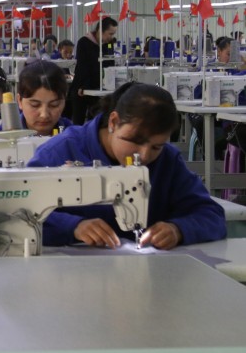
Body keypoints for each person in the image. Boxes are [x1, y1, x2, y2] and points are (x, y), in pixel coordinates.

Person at [28, 82, 226, 250]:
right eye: (135, 141)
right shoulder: (59, 152)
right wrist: (73, 226)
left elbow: (211, 215)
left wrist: (178, 229)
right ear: (113, 121)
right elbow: (19, 212)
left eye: (156, 146)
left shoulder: (167, 160)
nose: (144, 155)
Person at [0, 61, 72, 135]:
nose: (44, 115)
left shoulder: (75, 139)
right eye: (35, 105)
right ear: (19, 101)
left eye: (54, 105)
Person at [68, 17, 118, 125]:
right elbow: (82, 66)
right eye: (110, 33)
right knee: (78, 122)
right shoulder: (84, 42)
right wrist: (83, 86)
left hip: (98, 88)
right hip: (81, 87)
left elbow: (110, 64)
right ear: (101, 30)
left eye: (113, 34)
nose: (111, 37)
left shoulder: (108, 44)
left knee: (95, 122)